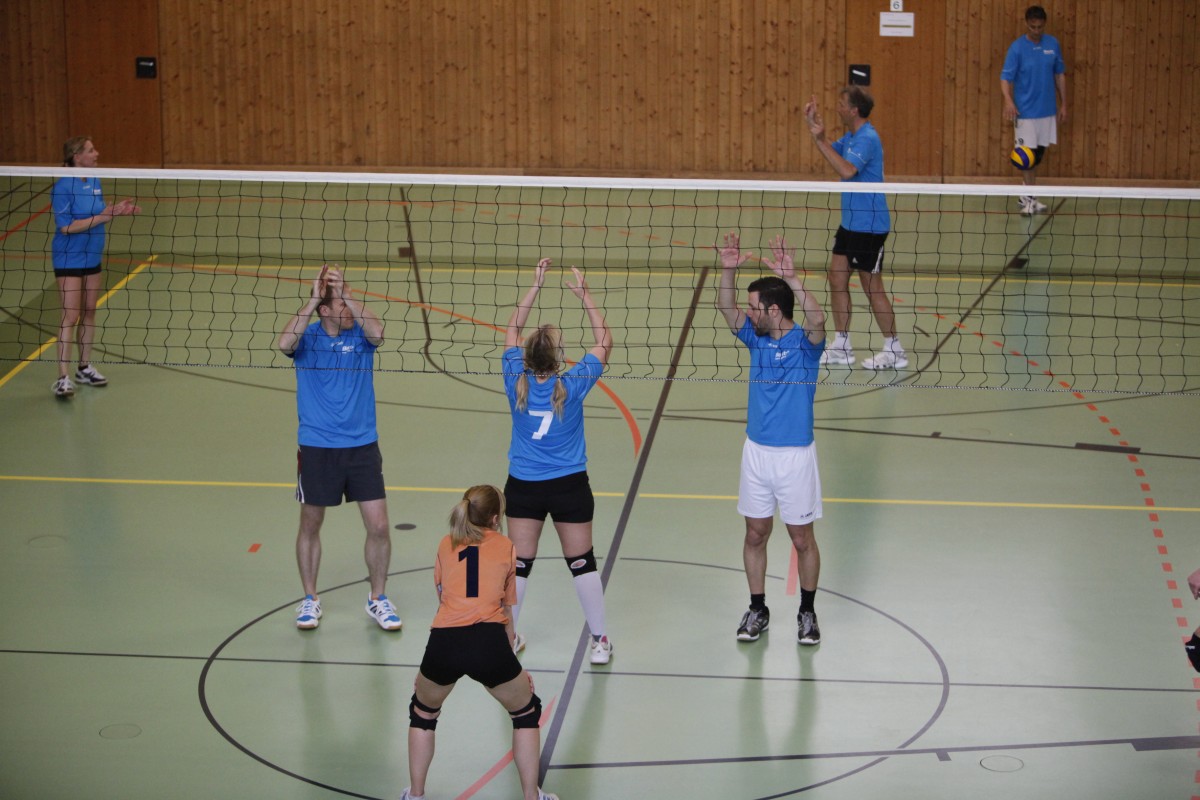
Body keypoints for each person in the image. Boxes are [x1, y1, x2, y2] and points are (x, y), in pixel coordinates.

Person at [400, 485, 559, 800]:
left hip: (444, 641)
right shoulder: (506, 546)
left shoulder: (446, 543)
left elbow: (444, 601)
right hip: (488, 642)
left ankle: (415, 795)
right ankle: (532, 796)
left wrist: (428, 669)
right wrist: (514, 668)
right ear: (495, 518)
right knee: (525, 713)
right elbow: (505, 612)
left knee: (423, 712)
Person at [716, 232, 827, 646]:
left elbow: (818, 321)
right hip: (757, 453)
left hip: (795, 456)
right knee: (755, 533)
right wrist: (728, 270)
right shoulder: (756, 338)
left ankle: (807, 611)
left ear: (773, 310)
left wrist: (793, 278)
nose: (749, 313)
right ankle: (757, 608)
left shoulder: (806, 346)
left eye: (754, 307)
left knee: (802, 538)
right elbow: (726, 308)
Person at [277, 265, 401, 631]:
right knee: (310, 523)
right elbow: (284, 344)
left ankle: (378, 598)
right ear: (324, 311)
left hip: (362, 445)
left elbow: (378, 332)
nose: (348, 308)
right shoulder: (308, 337)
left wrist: (346, 293)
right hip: (318, 446)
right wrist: (314, 299)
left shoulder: (361, 335)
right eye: (341, 305)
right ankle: (310, 598)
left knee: (379, 525)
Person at [502, 257, 614, 664]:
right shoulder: (573, 383)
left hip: (524, 486)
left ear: (527, 356)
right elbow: (605, 341)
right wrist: (586, 297)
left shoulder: (514, 378)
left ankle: (509, 640)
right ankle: (600, 641)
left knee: (520, 565)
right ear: (559, 358)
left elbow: (510, 330)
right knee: (582, 564)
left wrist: (534, 286)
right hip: (569, 486)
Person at [803, 87, 908, 370]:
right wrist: (816, 132)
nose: (837, 108)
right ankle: (842, 345)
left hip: (869, 226)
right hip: (850, 224)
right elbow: (832, 153)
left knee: (872, 287)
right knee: (837, 278)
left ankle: (894, 349)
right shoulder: (851, 137)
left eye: (841, 104)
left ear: (854, 110)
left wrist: (821, 140)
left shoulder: (868, 138)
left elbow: (847, 170)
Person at [50, 136, 141, 398]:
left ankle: (84, 368)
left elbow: (99, 213)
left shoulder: (94, 180)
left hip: (92, 254)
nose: (96, 153)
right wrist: (102, 216)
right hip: (69, 257)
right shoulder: (62, 187)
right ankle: (63, 378)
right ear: (76, 156)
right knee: (70, 316)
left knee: (89, 311)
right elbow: (66, 227)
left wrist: (116, 210)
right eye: (91, 150)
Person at [1000, 5, 1067, 215]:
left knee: (1037, 156)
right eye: (1032, 27)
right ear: (1026, 24)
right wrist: (1008, 101)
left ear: (1044, 24)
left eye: (1039, 27)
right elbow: (1005, 78)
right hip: (1025, 113)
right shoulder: (1017, 48)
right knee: (1026, 158)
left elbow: (1059, 75)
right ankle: (1030, 199)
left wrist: (1064, 104)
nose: (1036, 31)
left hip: (1047, 111)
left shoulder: (1053, 44)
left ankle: (1026, 194)